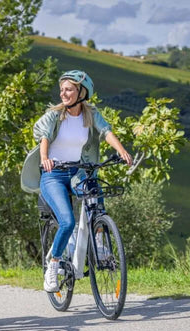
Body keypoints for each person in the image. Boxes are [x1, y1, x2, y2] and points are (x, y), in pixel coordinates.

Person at [27, 70, 132, 292]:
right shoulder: (54, 115)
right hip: (53, 174)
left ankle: (101, 244)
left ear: (81, 93)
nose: (63, 93)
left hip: (78, 171)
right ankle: (53, 265)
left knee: (96, 196)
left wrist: (122, 151)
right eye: (62, 89)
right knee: (67, 221)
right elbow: (44, 136)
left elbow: (106, 132)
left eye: (69, 89)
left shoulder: (90, 114)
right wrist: (45, 159)